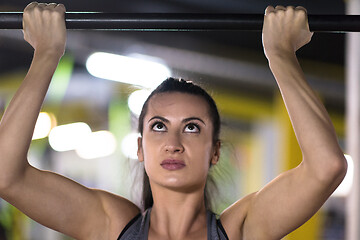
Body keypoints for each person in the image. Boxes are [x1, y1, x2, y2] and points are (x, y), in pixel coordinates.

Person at [0, 2, 347, 240]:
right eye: (159, 126)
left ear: (215, 151)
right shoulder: (110, 224)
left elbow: (326, 166)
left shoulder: (242, 228)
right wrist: (47, 54)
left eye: (192, 127)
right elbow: (5, 173)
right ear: (140, 148)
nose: (173, 142)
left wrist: (280, 55)